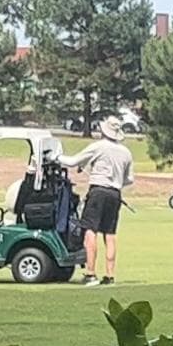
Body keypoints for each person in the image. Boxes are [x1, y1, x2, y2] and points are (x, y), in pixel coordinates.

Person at [58, 116, 134, 286]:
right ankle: (110, 276)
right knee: (110, 234)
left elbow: (72, 162)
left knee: (90, 231)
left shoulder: (98, 147)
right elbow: (129, 179)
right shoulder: (126, 152)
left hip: (98, 192)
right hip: (115, 194)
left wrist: (56, 157)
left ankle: (91, 274)